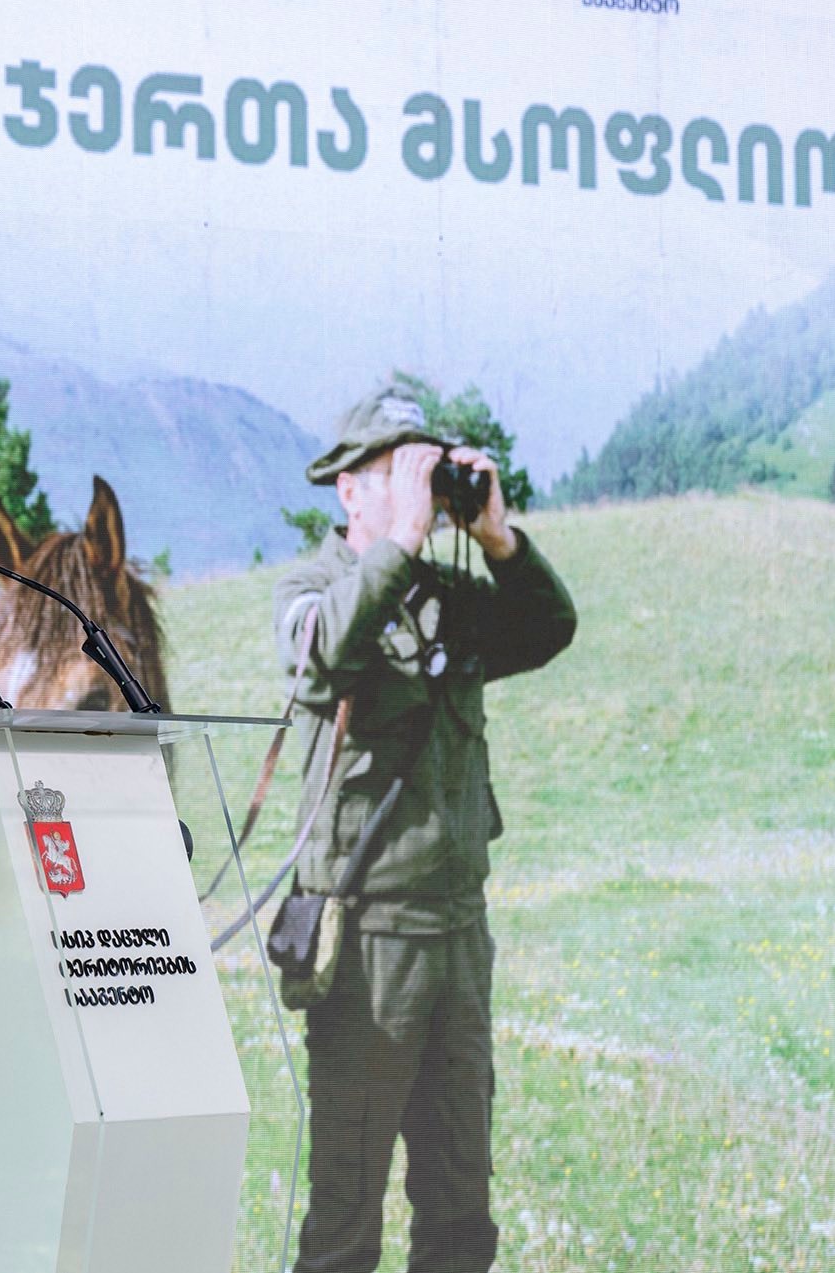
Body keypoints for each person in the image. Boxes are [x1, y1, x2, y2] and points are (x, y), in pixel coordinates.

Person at [274, 384, 575, 1273]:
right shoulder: (312, 589)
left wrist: (497, 537)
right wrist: (402, 539)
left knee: (459, 1210)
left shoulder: (450, 596)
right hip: (368, 941)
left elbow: (549, 626)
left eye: (426, 472)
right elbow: (322, 655)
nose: (418, 490)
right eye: (396, 471)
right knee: (345, 1219)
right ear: (349, 489)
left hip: (457, 934)